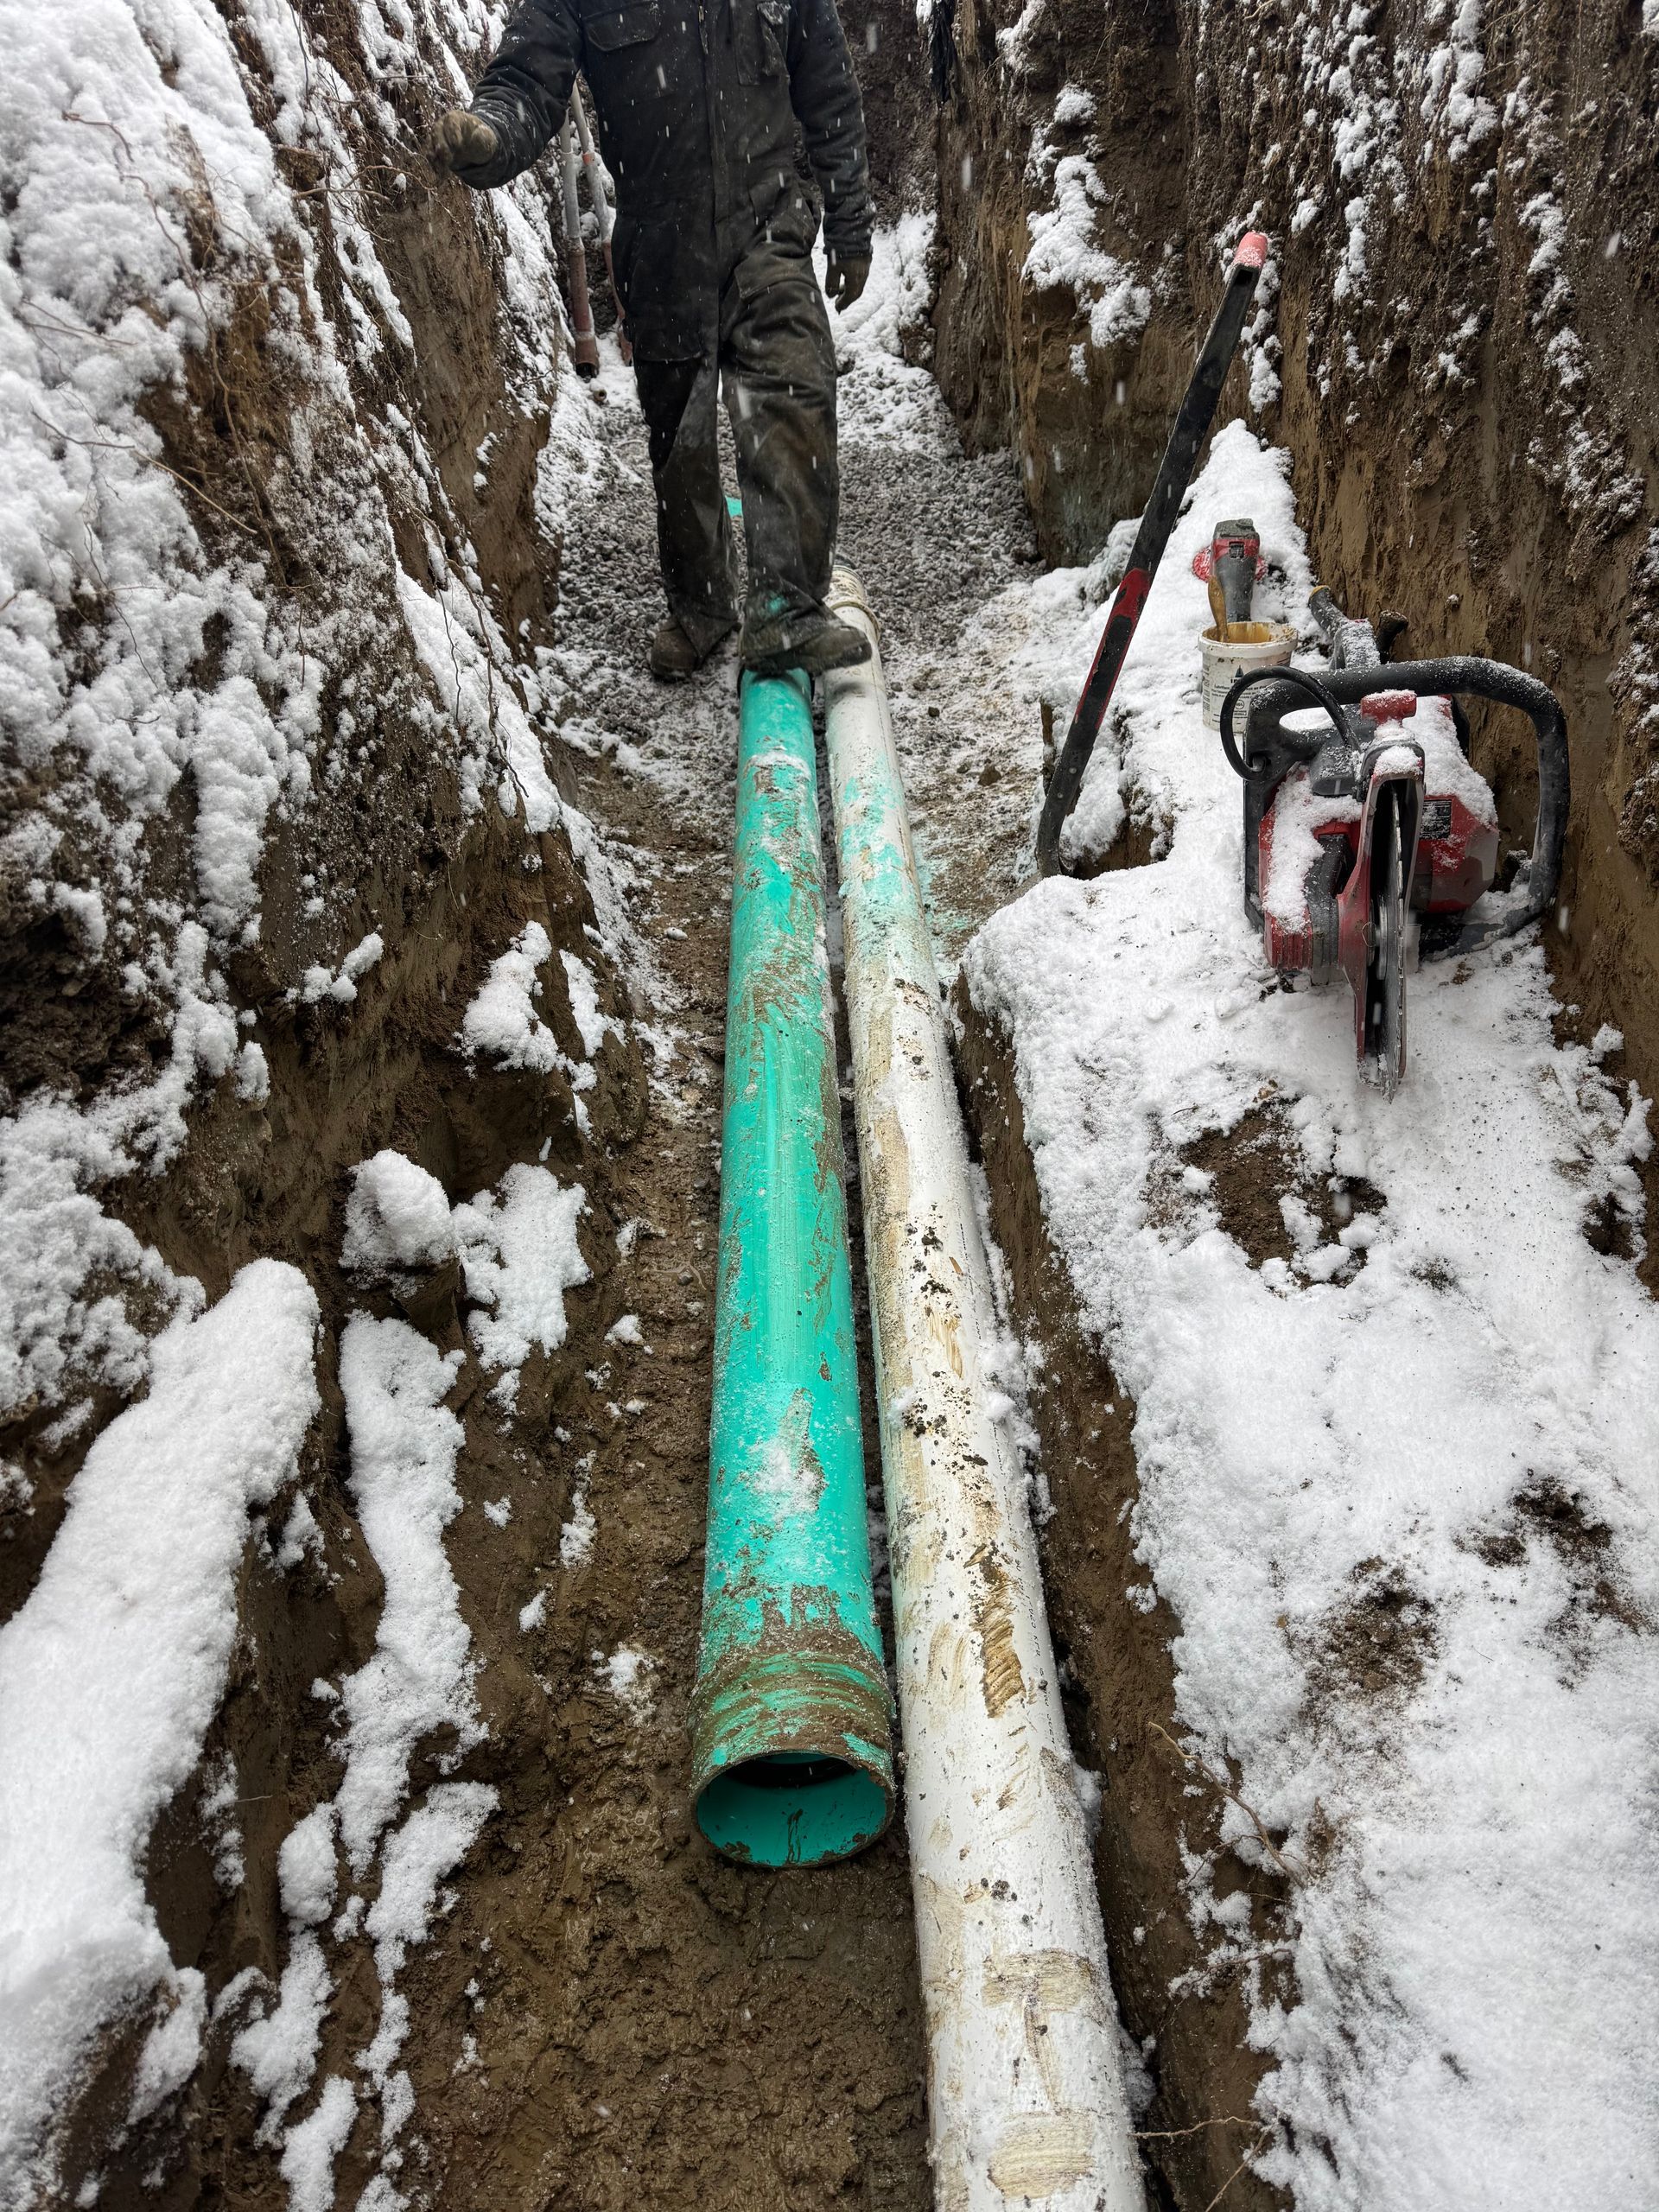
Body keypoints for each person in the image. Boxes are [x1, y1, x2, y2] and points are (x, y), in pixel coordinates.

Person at [432, 0, 875, 682]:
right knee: (680, 439)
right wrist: (490, 137)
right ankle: (702, 608)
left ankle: (786, 609)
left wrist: (850, 223)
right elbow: (527, 78)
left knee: (795, 394)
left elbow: (829, 90)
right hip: (662, 246)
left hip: (768, 226)